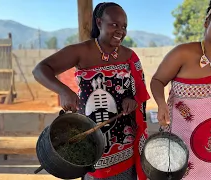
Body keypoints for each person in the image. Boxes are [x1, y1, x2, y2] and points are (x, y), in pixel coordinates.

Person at [32, 2, 150, 180]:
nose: (121, 31)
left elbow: (138, 93)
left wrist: (131, 100)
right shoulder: (82, 51)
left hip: (124, 143)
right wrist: (64, 91)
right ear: (99, 22)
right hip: (91, 141)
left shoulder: (129, 56)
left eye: (124, 26)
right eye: (114, 24)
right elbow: (40, 70)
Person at [150, 0, 211, 179]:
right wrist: (161, 103)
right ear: (206, 21)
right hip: (182, 141)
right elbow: (157, 80)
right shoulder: (182, 53)